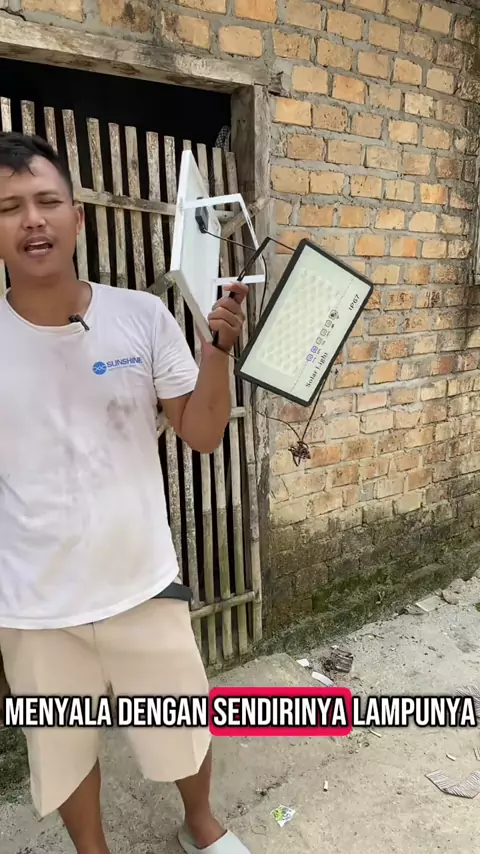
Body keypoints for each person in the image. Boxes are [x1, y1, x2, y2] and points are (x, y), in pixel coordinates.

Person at [0, 131, 250, 854]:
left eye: (47, 201)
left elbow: (203, 432)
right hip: (35, 603)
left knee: (183, 721)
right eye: (10, 208)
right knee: (63, 748)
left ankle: (202, 825)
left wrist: (217, 351)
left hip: (142, 579)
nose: (32, 220)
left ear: (78, 217)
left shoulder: (140, 316)